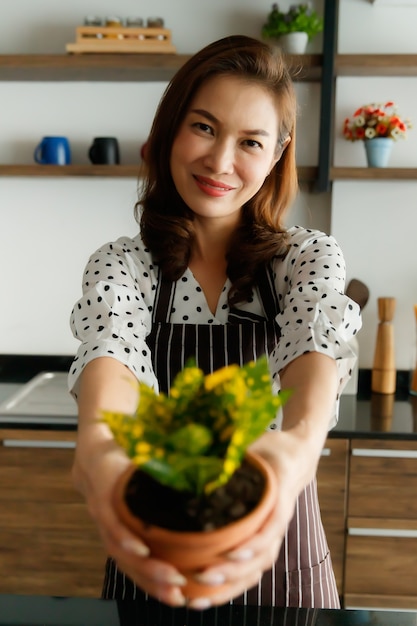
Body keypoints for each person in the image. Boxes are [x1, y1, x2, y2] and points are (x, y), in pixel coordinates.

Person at [68, 35, 361, 611]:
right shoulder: (124, 267)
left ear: (276, 156)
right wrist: (101, 449)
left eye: (250, 141)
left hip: (285, 572)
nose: (221, 162)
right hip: (153, 569)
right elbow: (112, 359)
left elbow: (312, 351)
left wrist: (295, 450)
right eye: (203, 127)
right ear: (171, 130)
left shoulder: (303, 259)